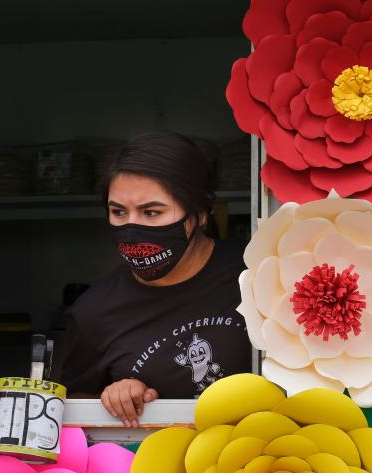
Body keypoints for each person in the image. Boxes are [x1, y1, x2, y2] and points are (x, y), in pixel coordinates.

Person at [59, 131, 252, 427]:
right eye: (118, 212)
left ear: (199, 213)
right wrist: (112, 398)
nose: (132, 227)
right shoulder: (93, 312)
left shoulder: (255, 274)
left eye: (151, 212)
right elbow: (72, 408)